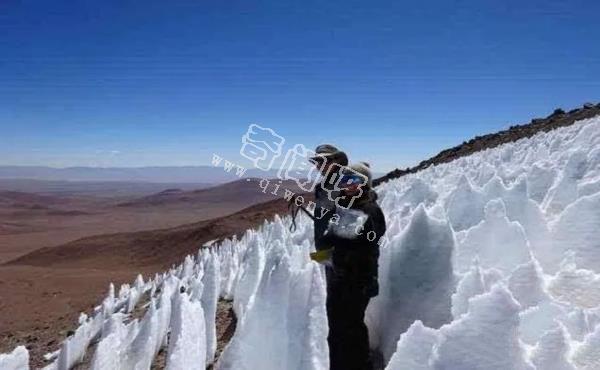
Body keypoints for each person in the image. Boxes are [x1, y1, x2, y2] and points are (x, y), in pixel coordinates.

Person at [314, 159, 387, 370]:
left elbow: (367, 248)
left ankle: (361, 365)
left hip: (358, 280)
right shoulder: (346, 206)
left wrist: (338, 256)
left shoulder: (370, 210)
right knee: (338, 324)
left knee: (352, 326)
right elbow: (336, 235)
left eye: (354, 179)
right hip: (340, 277)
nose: (348, 184)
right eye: (345, 179)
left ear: (365, 183)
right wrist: (327, 245)